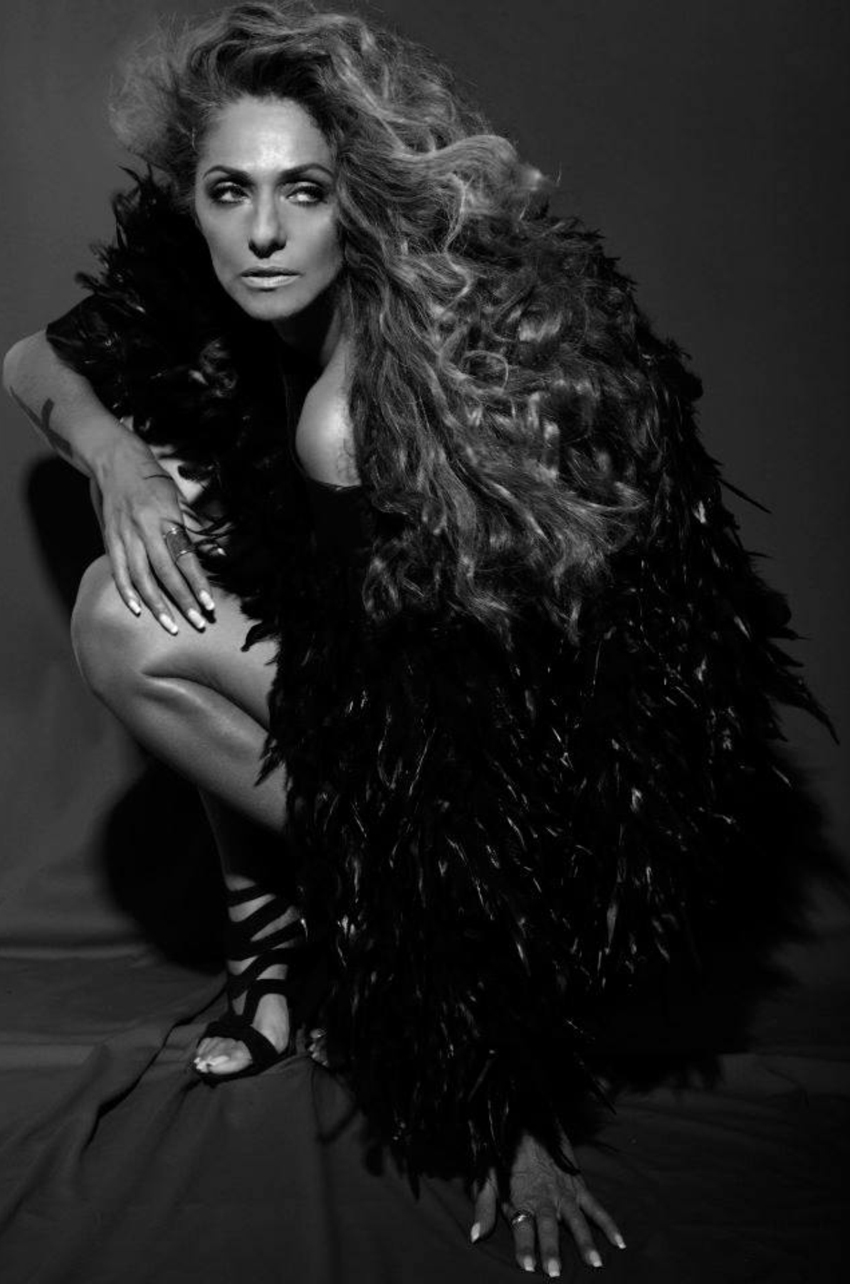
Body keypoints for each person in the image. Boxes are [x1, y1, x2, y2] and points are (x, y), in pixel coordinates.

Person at [2, 0, 828, 1275]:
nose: (262, 232)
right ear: (192, 195)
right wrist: (120, 462)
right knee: (138, 587)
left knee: (137, 619)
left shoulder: (376, 406)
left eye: (304, 191)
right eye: (230, 191)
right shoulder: (212, 278)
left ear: (366, 195)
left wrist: (511, 1116)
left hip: (553, 780)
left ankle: (374, 953)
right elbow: (29, 361)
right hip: (384, 679)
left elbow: (459, 763)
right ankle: (277, 955)